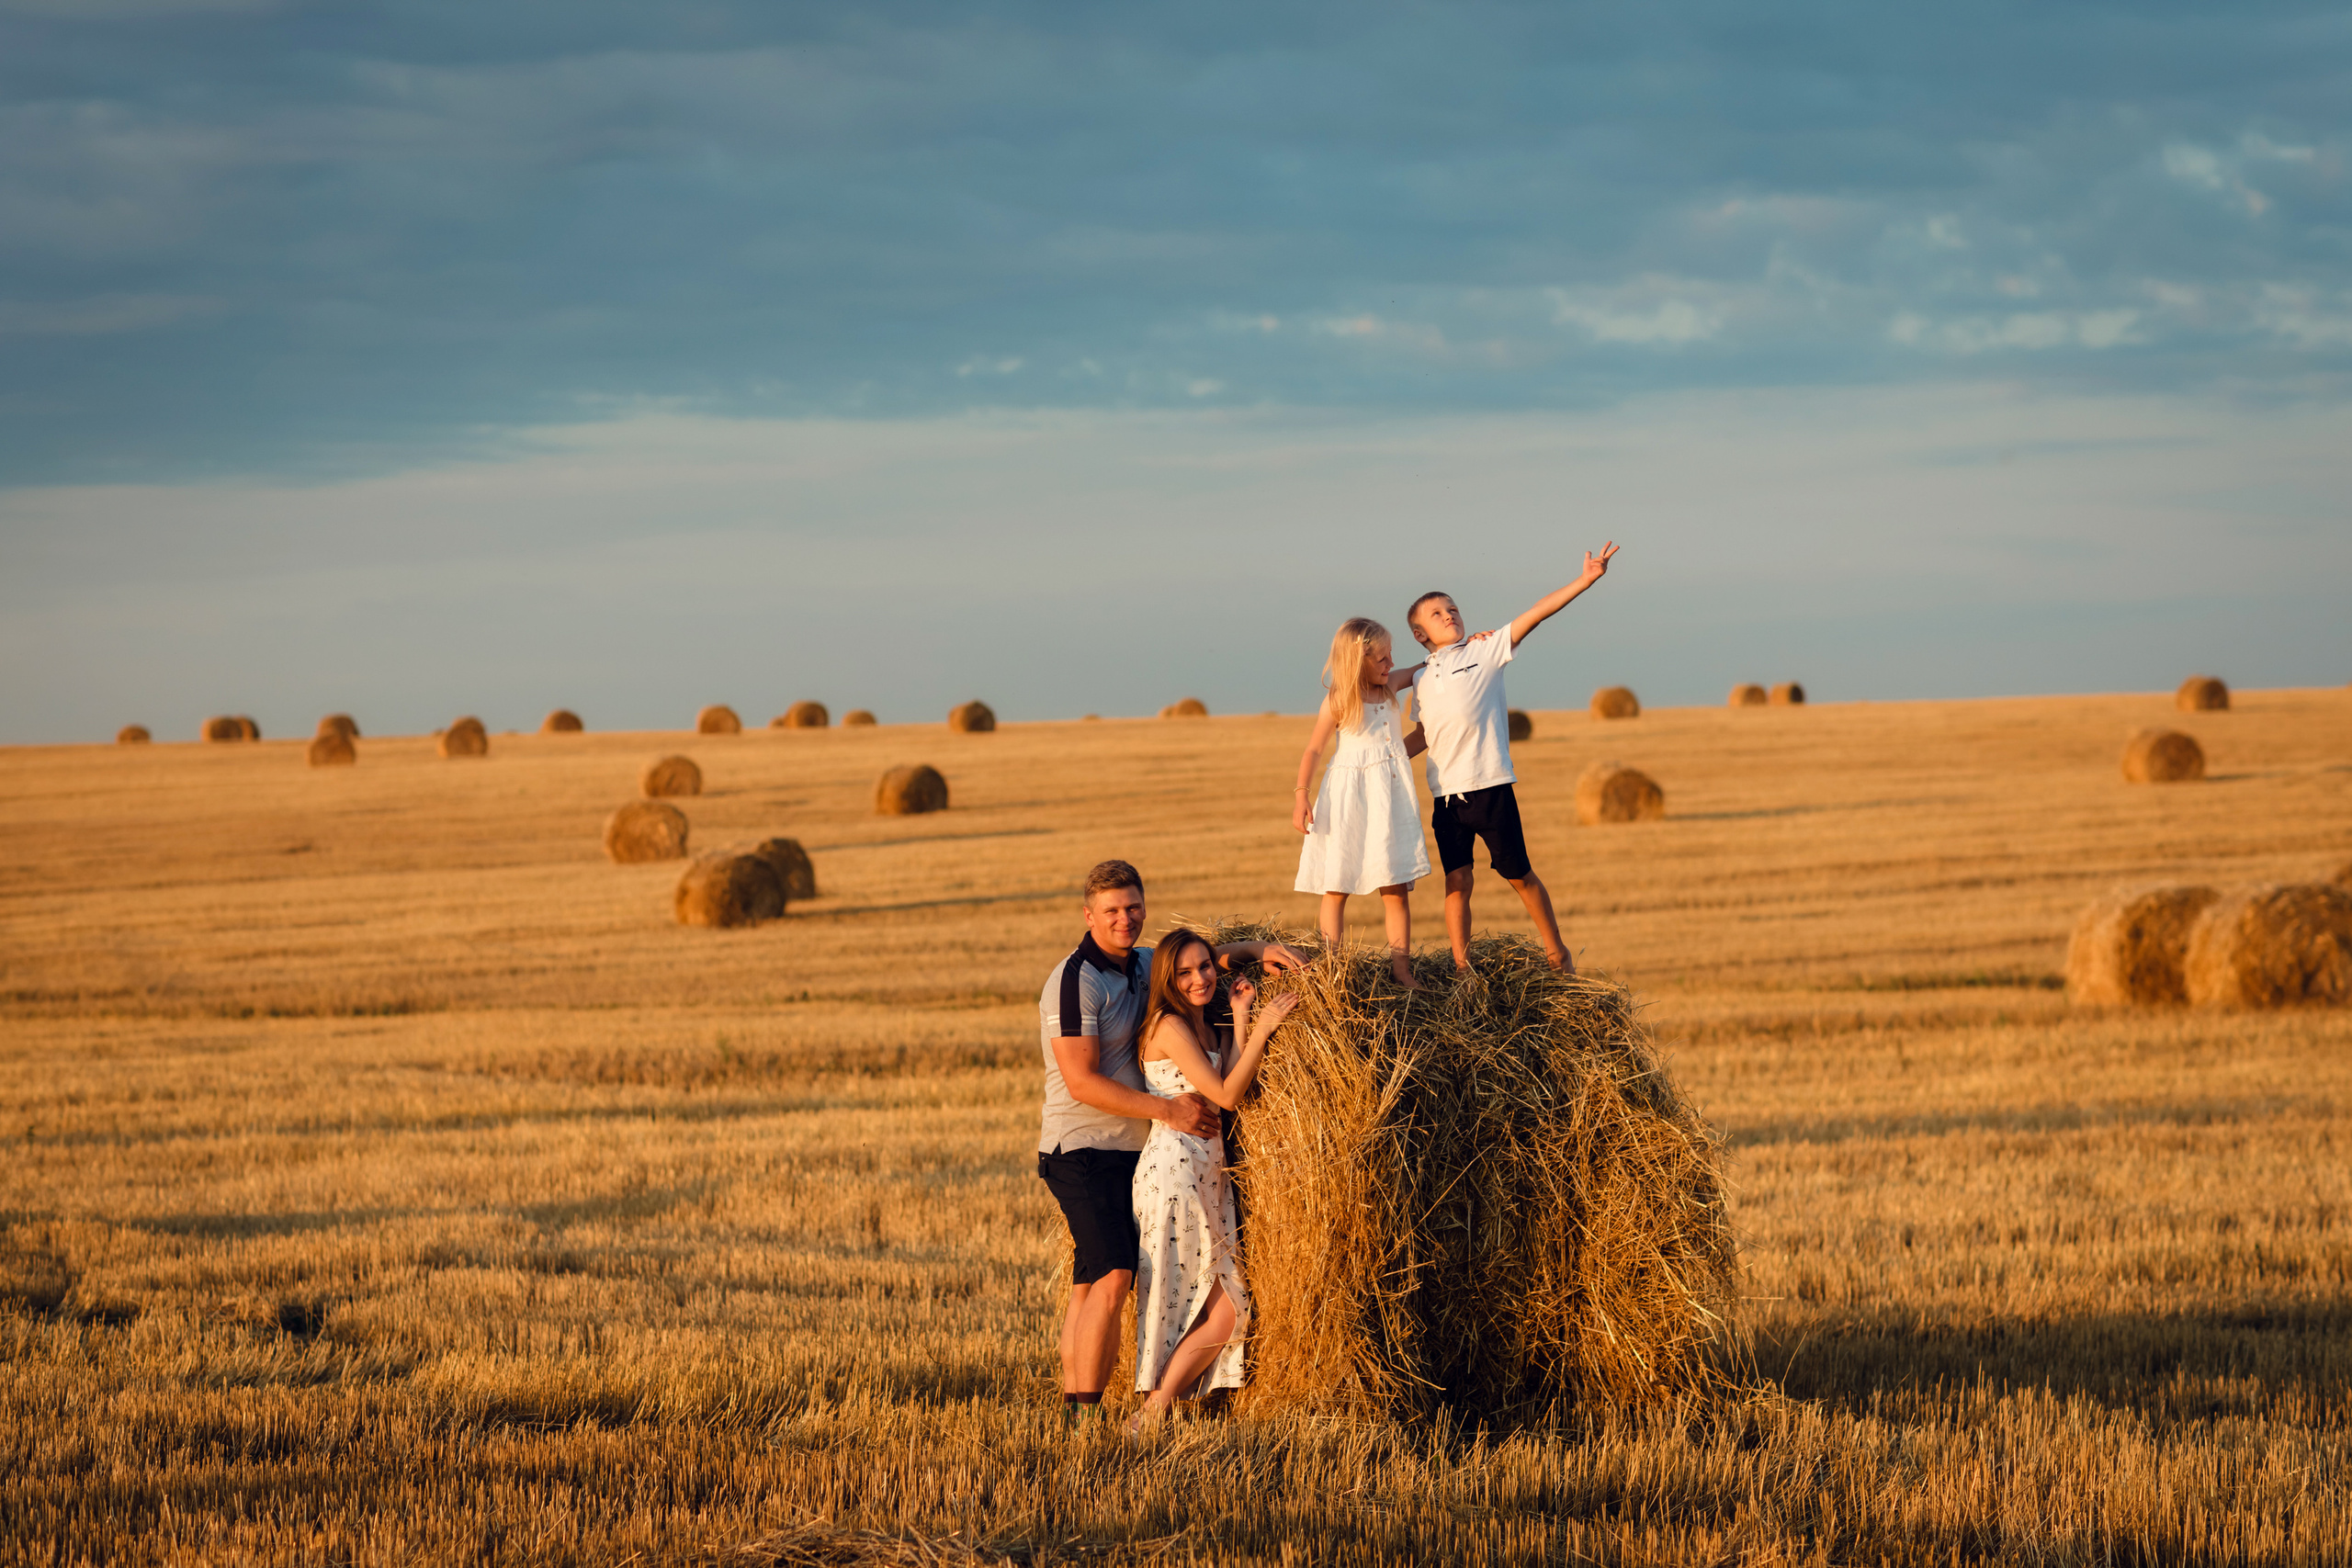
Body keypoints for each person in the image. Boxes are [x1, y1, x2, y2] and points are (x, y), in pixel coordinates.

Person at [1036, 861, 1304, 1419]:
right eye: (1111, 910)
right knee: (1112, 1274)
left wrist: (1259, 950)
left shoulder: (1140, 966)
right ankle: (1089, 1418)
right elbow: (1081, 1081)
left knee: (1091, 1279)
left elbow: (1197, 960)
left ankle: (1079, 1408)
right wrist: (1167, 1109)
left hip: (1139, 1148)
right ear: (1089, 916)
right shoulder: (1074, 981)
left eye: (1133, 907)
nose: (1125, 919)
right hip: (1084, 1147)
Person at [1403, 543, 1620, 972]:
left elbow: (1536, 613)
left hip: (1490, 787)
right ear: (1419, 633)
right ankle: (1462, 967)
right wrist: (1385, 758)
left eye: (1453, 609)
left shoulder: (1486, 650)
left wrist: (1585, 579)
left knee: (1518, 874)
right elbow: (1425, 733)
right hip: (1446, 796)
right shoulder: (1421, 678)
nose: (1449, 615)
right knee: (1456, 881)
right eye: (1437, 614)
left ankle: (1556, 949)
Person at [1128, 928, 1297, 1429]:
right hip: (1175, 1175)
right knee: (1196, 1300)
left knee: (1224, 1307)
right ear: (1167, 979)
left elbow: (1237, 1081)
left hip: (1208, 1173)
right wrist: (1265, 1028)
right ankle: (1151, 1414)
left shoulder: (1204, 1025)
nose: (1199, 978)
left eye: (1205, 966)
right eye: (1184, 972)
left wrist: (1244, 1017)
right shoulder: (1168, 1026)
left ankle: (1153, 1413)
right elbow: (1224, 1096)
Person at [1291, 616, 1431, 988]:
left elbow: (1429, 665)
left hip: (1390, 801)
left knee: (1396, 887)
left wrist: (1462, 649)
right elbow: (1313, 749)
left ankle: (1401, 970)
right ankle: (1331, 969)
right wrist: (1301, 795)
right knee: (1336, 886)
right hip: (1347, 800)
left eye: (1390, 656)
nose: (1390, 664)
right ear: (1358, 661)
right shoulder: (1339, 699)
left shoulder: (1391, 688)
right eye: (1382, 658)